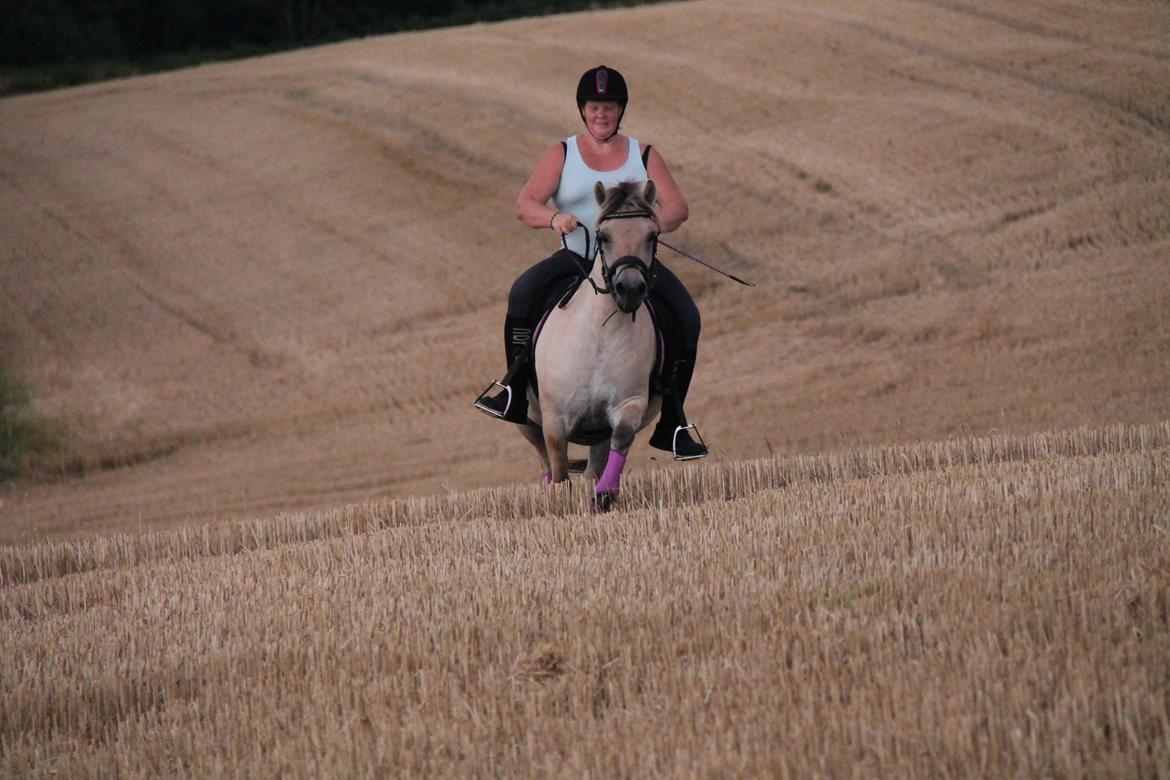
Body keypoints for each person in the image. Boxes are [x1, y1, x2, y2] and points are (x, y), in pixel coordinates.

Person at [475, 65, 707, 460]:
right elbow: (525, 204)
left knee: (686, 315)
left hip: (632, 262)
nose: (602, 114)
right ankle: (515, 389)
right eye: (595, 107)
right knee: (524, 293)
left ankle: (673, 421)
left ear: (621, 111)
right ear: (583, 110)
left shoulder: (644, 154)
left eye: (610, 107)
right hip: (576, 259)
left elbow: (677, 207)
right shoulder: (561, 153)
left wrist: (652, 225)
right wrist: (553, 218)